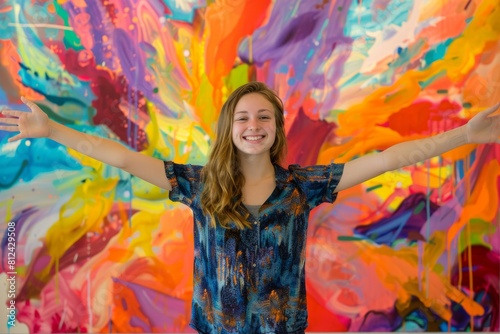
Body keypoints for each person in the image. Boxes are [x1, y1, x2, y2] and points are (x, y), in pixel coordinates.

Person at [0, 81, 499, 333]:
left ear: (277, 128)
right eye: (243, 117)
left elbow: (390, 157)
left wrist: (466, 135)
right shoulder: (199, 186)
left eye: (264, 116)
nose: (253, 124)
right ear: (230, 127)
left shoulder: (303, 186)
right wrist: (54, 130)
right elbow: (122, 156)